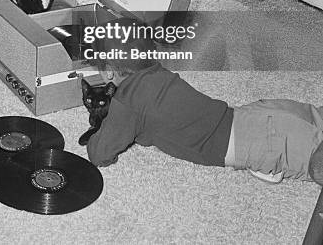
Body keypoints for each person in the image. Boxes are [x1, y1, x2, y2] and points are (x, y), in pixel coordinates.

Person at [86, 62, 323, 186]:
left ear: (108, 73)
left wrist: (106, 124)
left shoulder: (127, 103)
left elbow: (99, 154)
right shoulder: (158, 72)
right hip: (259, 113)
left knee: (318, 165)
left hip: (262, 142)